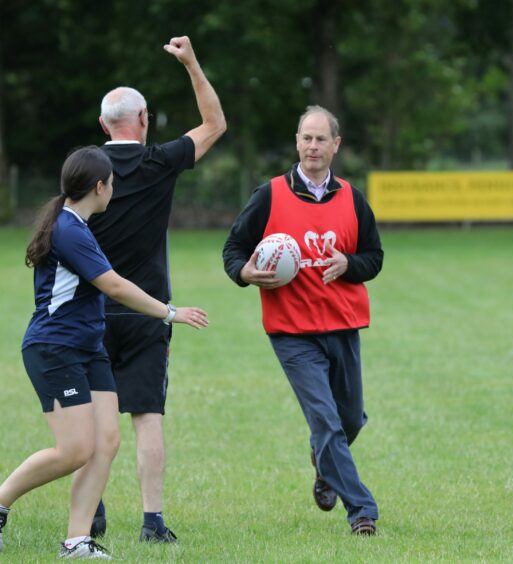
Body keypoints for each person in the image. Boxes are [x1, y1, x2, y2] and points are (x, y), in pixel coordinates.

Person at [0, 147, 208, 559]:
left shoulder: (78, 224)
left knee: (105, 443)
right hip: (54, 349)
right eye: (112, 183)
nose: (114, 189)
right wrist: (169, 312)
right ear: (100, 187)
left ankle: (77, 540)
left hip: (87, 349)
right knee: (74, 449)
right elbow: (113, 285)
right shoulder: (70, 230)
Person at [86, 36, 225, 542]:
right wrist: (190, 63)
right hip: (149, 313)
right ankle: (152, 522)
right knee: (147, 417)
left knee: (90, 422)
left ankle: (92, 510)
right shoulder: (159, 162)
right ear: (143, 120)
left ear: (104, 126)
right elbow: (215, 124)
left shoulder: (85, 168)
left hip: (89, 313)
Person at [222, 105, 383, 535]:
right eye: (306, 138)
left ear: (336, 145)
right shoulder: (270, 195)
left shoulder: (352, 198)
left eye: (321, 139)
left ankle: (323, 461)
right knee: (327, 422)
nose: (313, 146)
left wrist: (348, 263)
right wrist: (244, 272)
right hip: (292, 332)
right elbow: (233, 248)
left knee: (349, 421)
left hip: (342, 325)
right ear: (297, 143)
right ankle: (362, 512)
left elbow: (374, 258)